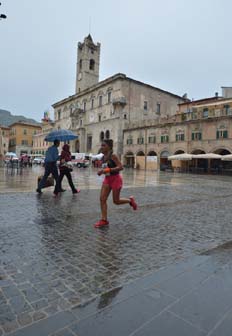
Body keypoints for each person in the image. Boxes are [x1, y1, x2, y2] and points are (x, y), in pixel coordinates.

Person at [94, 139, 137, 228]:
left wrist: (108, 170)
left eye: (103, 145)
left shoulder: (113, 156)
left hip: (116, 179)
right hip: (107, 179)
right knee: (102, 199)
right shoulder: (103, 157)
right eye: (101, 145)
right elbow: (105, 168)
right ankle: (104, 220)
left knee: (116, 201)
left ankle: (130, 201)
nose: (101, 147)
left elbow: (121, 167)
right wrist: (101, 171)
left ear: (109, 147)